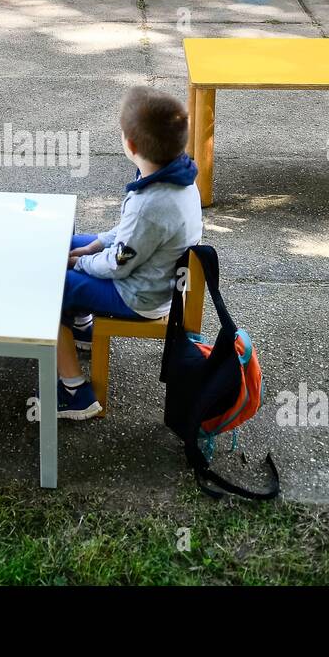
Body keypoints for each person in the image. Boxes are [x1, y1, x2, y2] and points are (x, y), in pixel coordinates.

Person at [53, 87, 203, 419]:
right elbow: (128, 236)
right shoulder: (177, 177)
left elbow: (119, 264)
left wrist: (84, 261)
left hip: (138, 296)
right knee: (68, 240)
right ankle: (82, 328)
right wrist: (93, 245)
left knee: (53, 285)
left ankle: (74, 391)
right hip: (151, 275)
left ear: (131, 145)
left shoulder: (151, 204)